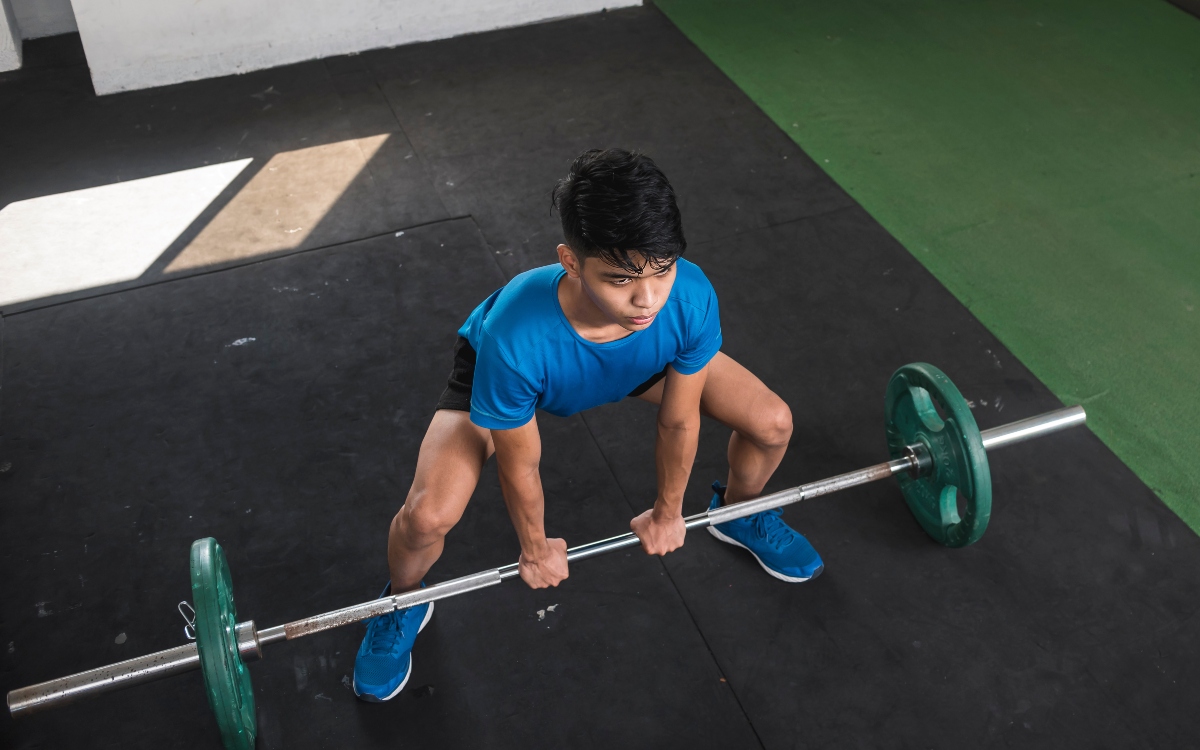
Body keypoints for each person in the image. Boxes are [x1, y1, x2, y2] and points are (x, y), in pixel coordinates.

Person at [352, 148, 824, 702]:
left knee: (772, 422)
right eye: (621, 278)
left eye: (662, 270)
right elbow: (519, 461)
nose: (647, 298)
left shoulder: (688, 295)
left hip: (637, 364)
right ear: (571, 262)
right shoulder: (514, 335)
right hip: (522, 379)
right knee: (427, 517)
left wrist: (671, 512)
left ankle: (740, 514)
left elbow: (679, 420)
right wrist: (533, 546)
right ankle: (401, 602)